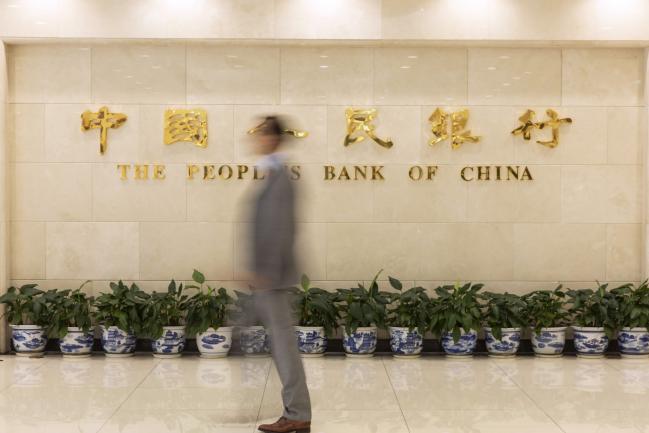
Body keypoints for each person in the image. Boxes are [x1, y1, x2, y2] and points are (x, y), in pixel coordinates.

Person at [249, 116, 312, 433]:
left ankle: (297, 413)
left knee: (284, 345)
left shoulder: (281, 180)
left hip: (273, 278)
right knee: (281, 343)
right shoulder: (272, 175)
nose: (255, 140)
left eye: (260, 134)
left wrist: (267, 272)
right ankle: (296, 411)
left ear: (273, 139)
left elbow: (282, 229)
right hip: (267, 276)